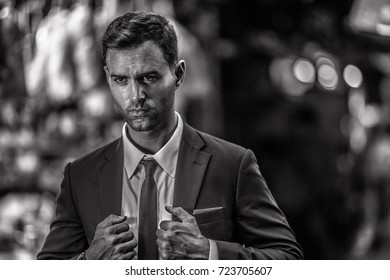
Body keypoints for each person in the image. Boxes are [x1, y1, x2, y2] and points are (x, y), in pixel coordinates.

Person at [37, 11, 303, 260]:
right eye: (121, 80)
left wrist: (209, 253)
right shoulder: (80, 176)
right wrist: (88, 263)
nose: (135, 96)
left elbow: (288, 259)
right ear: (107, 78)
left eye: (149, 77)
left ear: (178, 74)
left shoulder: (232, 164)